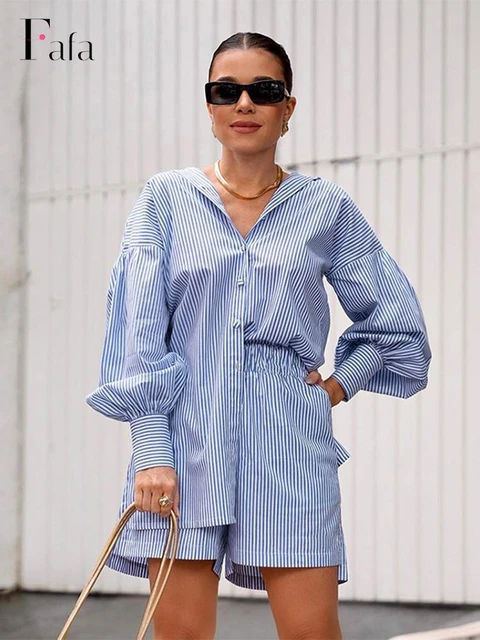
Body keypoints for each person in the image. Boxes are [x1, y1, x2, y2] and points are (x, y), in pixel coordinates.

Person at [86, 31, 432, 640]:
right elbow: (138, 329)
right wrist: (151, 453)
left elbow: (394, 322)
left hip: (290, 446)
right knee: (182, 637)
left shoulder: (324, 207)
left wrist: (334, 387)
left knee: (311, 634)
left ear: (287, 108)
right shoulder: (164, 201)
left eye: (263, 90)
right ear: (211, 106)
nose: (244, 104)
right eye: (227, 91)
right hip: (183, 446)